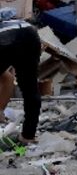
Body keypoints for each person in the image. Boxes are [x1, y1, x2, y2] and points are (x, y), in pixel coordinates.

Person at [0, 9, 41, 143]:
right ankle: (28, 136)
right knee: (30, 89)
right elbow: (9, 78)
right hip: (30, 34)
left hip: (5, 37)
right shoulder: (13, 21)